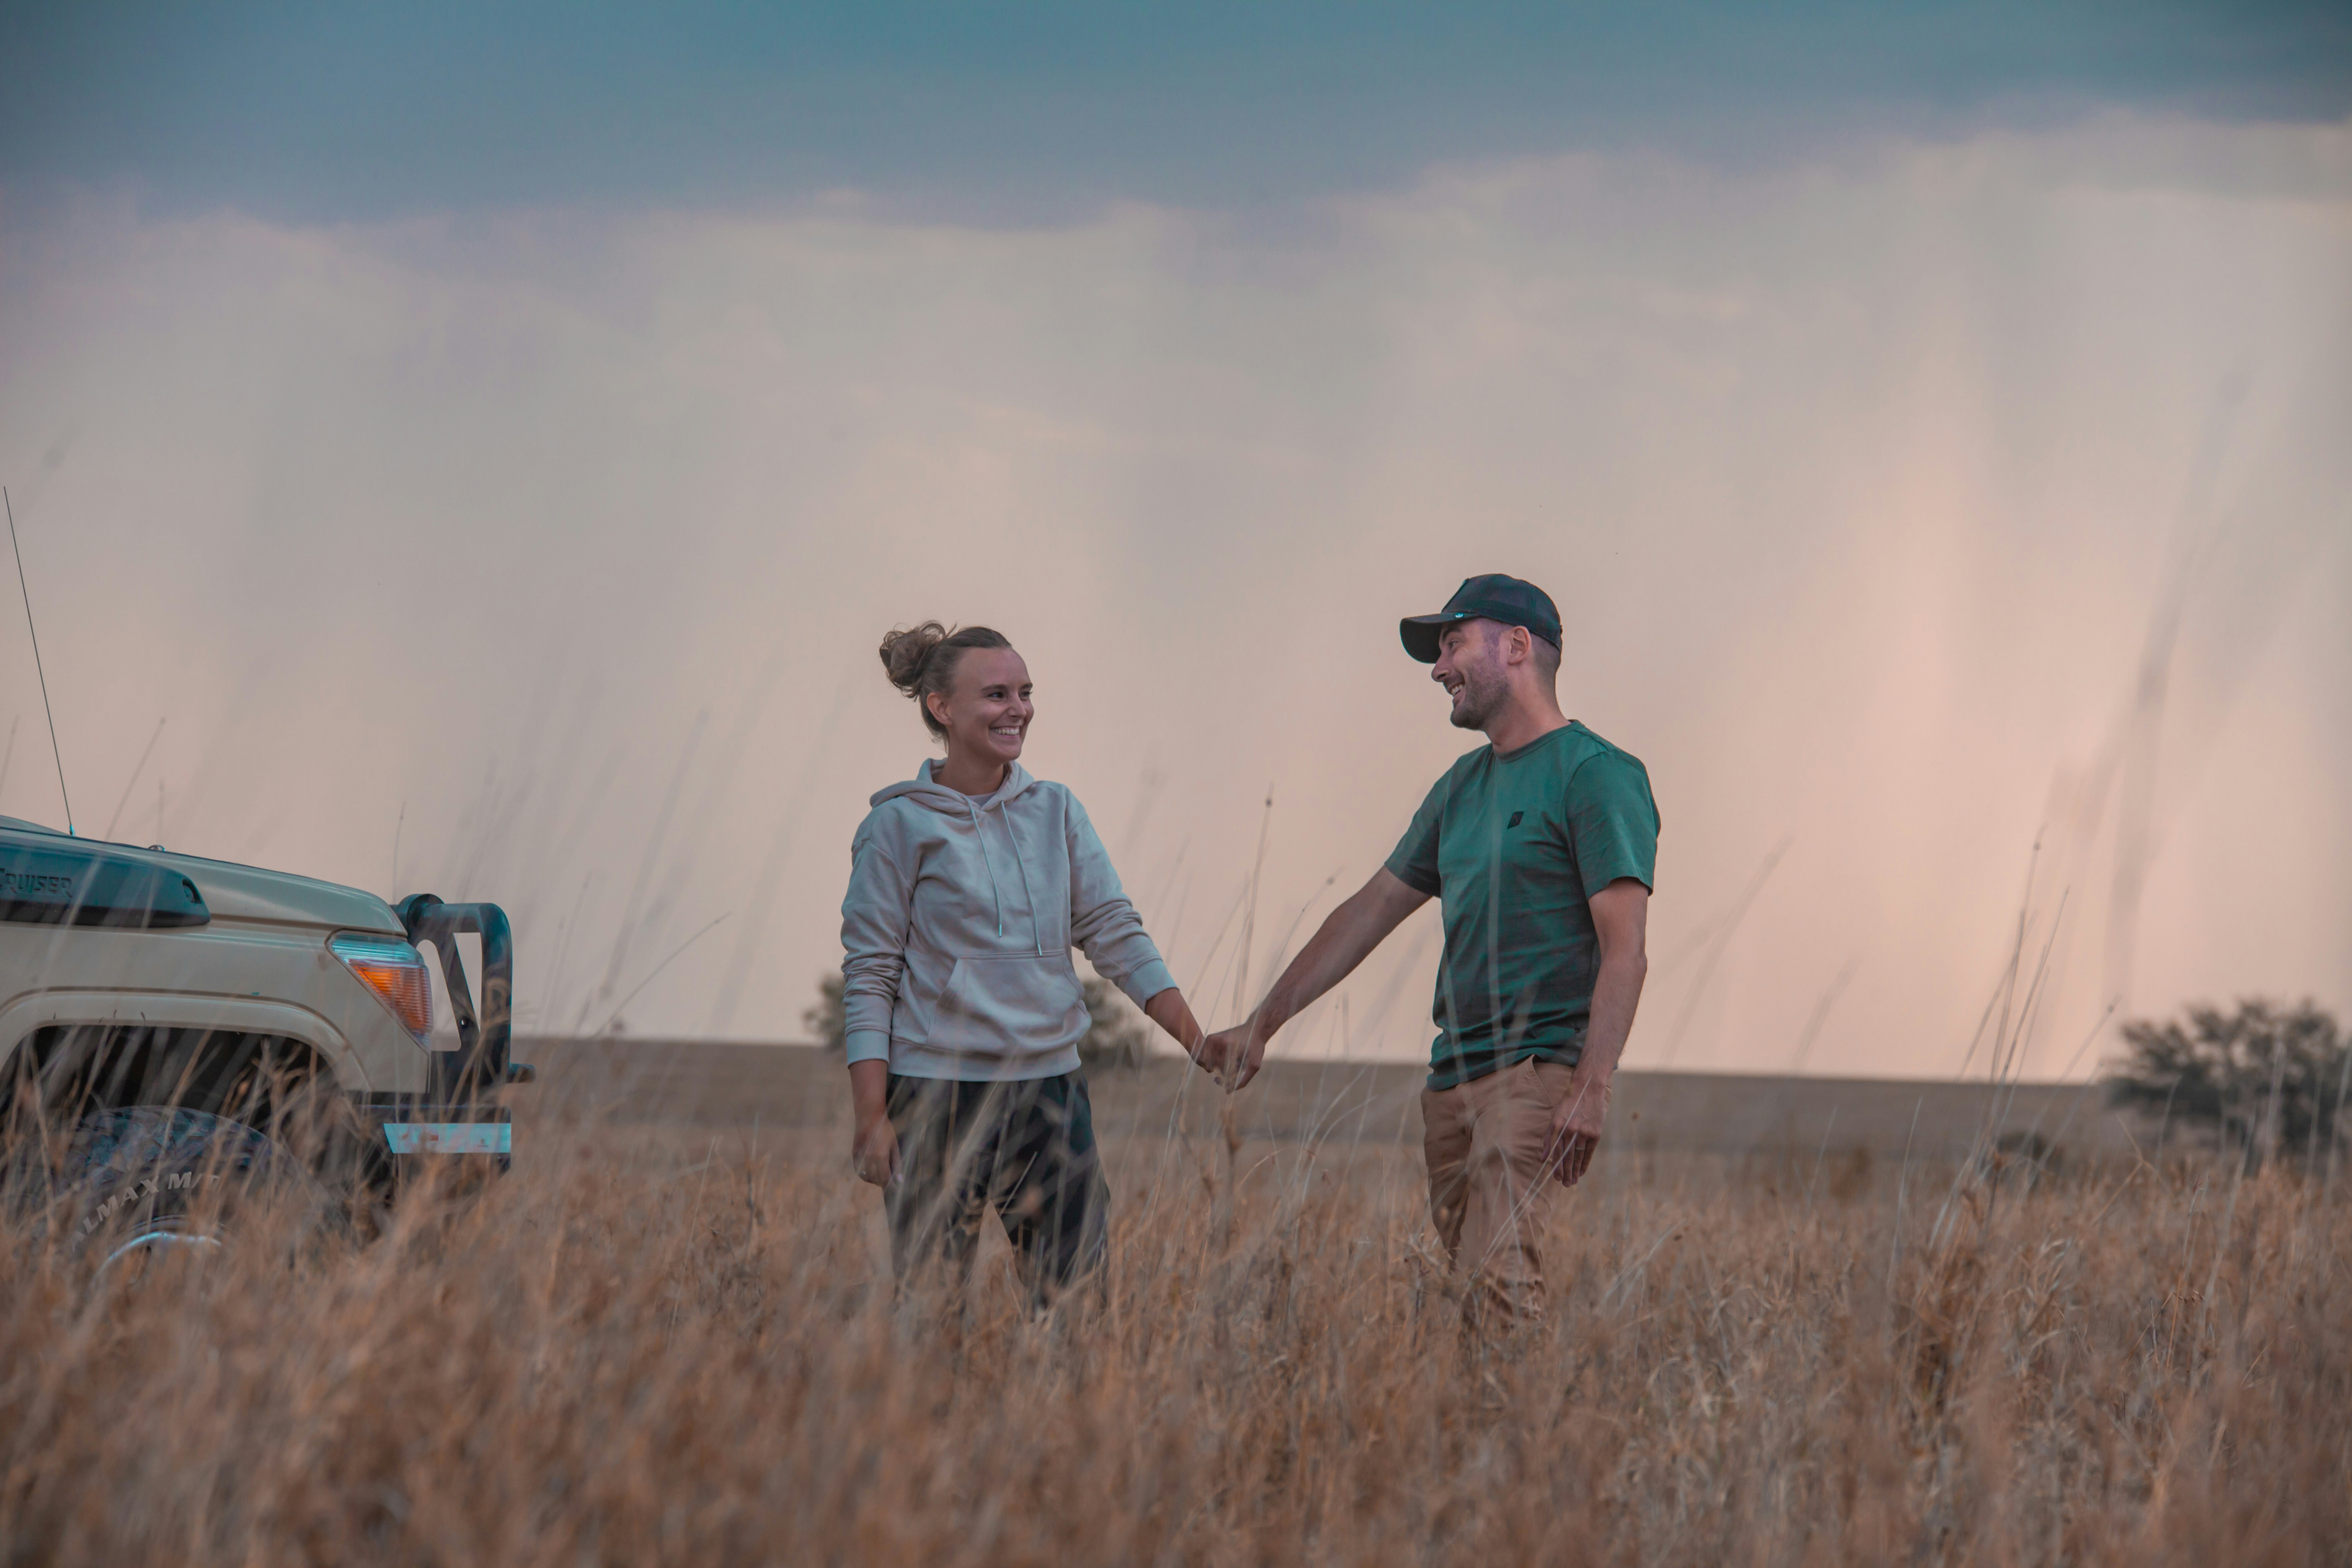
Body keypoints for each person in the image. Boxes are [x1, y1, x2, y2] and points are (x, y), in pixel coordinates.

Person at [1201, 575, 1657, 1329]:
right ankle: (1488, 1439)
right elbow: (1370, 911)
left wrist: (1592, 1085)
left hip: (1536, 1073)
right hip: (1452, 1081)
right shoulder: (1461, 787)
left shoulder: (1596, 774)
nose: (1438, 668)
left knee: (1501, 1286)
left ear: (1516, 647)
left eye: (1452, 644)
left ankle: (1515, 1445)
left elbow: (1626, 952)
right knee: (1472, 1295)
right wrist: (1262, 1024)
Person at [839, 621, 1212, 1306]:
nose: (1019, 710)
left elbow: (1111, 930)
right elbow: (870, 975)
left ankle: (1060, 1417)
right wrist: (871, 1116)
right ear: (940, 707)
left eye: (1026, 693)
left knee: (1076, 1303)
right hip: (933, 1097)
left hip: (1050, 1091)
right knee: (930, 1308)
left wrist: (1196, 1040)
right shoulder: (897, 826)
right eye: (997, 695)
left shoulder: (1055, 811)